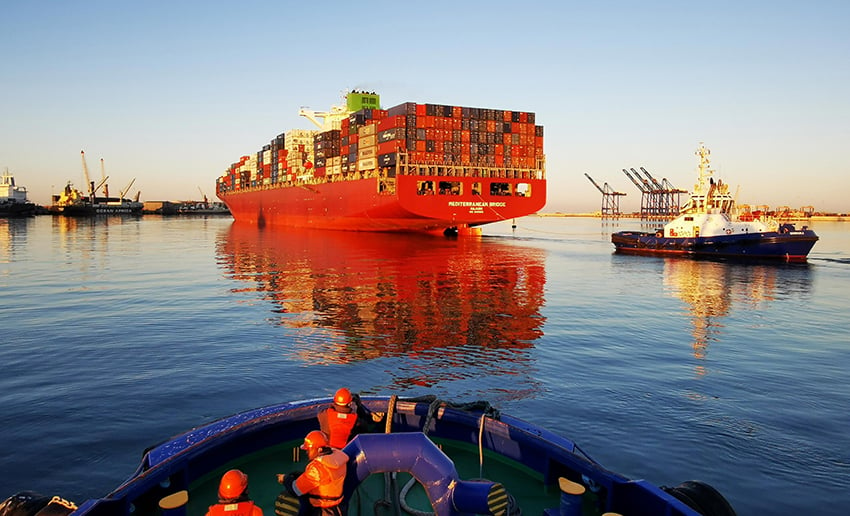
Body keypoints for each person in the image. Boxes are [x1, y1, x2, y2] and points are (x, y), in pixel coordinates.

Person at [277, 430, 348, 516]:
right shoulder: (337, 459)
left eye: (309, 449)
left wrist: (285, 479)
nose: (307, 452)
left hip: (322, 511)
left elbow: (296, 489)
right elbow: (324, 479)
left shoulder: (318, 468)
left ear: (319, 450)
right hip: (338, 508)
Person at [317, 388, 384, 449]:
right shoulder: (355, 420)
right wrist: (359, 407)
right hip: (345, 452)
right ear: (350, 403)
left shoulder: (324, 415)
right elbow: (364, 428)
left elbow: (322, 413)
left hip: (327, 451)